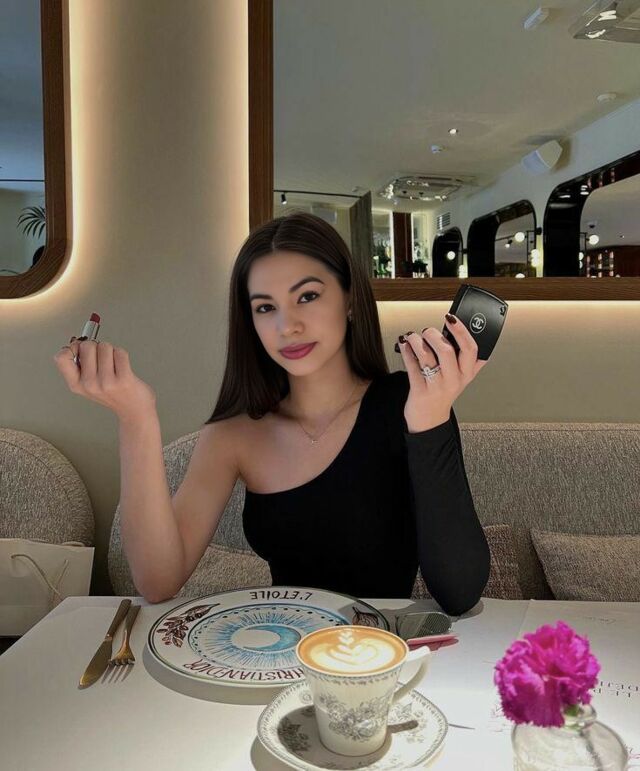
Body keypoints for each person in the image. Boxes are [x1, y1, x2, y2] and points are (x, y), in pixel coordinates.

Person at [54, 212, 490, 615]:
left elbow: (459, 591)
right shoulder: (236, 433)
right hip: (274, 651)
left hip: (382, 656)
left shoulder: (410, 404)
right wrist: (136, 416)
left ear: (350, 299)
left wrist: (430, 420)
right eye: (265, 307)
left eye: (308, 296)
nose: (287, 326)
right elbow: (156, 581)